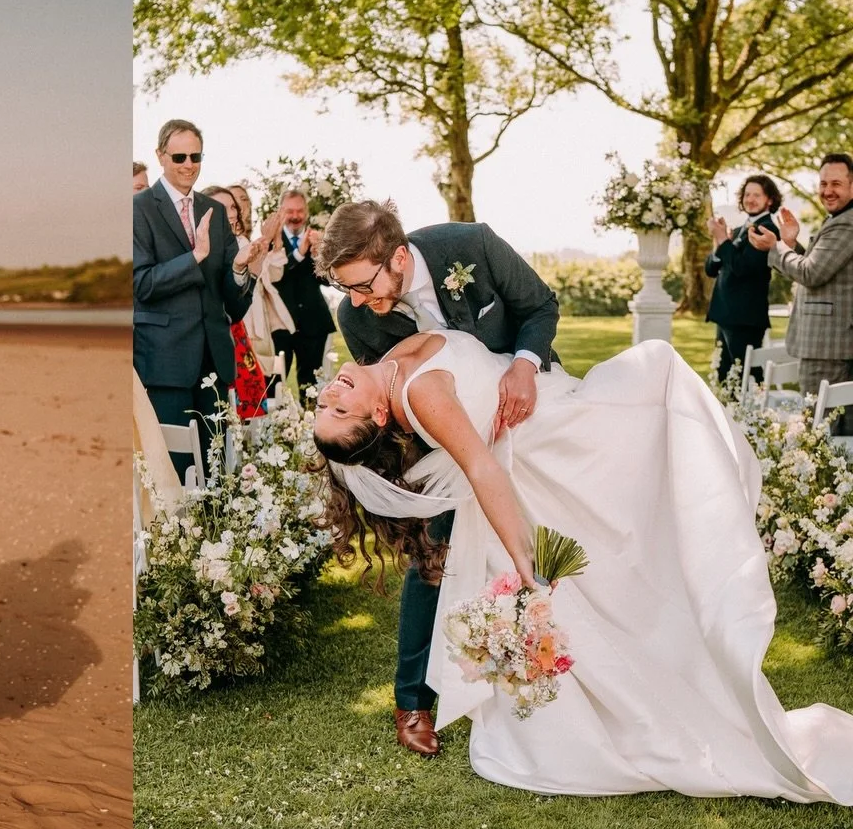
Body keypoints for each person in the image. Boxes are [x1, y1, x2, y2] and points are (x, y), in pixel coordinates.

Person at [311, 319, 853, 803]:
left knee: (628, 528)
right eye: (340, 409)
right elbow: (481, 468)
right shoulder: (420, 389)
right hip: (541, 448)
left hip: (553, 411)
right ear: (380, 413)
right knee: (643, 441)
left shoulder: (378, 337)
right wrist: (524, 563)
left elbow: (516, 317)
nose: (331, 394)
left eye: (325, 404)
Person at [320, 200, 560, 760]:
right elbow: (382, 405)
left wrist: (524, 365)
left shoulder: (469, 246)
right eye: (345, 289)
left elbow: (540, 305)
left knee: (554, 523)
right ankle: (412, 700)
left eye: (365, 286)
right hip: (448, 436)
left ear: (398, 257)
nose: (357, 303)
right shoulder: (357, 318)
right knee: (432, 553)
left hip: (528, 406)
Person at [133, 120, 253, 479]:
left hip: (214, 361)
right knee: (175, 471)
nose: (189, 164)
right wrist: (195, 257)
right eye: (180, 155)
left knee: (217, 469)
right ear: (161, 156)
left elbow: (232, 305)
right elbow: (141, 284)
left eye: (195, 156)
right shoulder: (138, 210)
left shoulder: (212, 212)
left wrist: (241, 271)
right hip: (165, 363)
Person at [751, 153, 853, 435]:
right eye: (823, 184)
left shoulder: (846, 223)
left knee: (821, 434)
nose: (827, 191)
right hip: (830, 345)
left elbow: (810, 274)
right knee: (830, 434)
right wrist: (791, 244)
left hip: (827, 347)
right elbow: (816, 269)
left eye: (836, 184)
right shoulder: (839, 219)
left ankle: (824, 481)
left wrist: (776, 247)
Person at [203, 185, 274, 417]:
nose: (232, 212)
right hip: (207, 341)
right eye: (223, 207)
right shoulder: (200, 251)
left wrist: (252, 273)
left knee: (248, 402)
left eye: (233, 206)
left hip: (235, 332)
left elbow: (236, 306)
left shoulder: (235, 244)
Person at [705, 174, 781, 386]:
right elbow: (711, 269)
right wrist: (720, 243)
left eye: (757, 195)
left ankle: (752, 418)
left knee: (745, 379)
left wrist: (723, 240)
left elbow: (742, 268)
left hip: (745, 318)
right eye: (747, 194)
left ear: (770, 200)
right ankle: (725, 419)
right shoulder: (739, 230)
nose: (750, 199)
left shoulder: (768, 230)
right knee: (724, 378)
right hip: (725, 315)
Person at [264, 189, 335, 402]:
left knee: (312, 386)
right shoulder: (269, 240)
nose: (295, 216)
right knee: (274, 383)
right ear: (281, 212)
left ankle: (312, 429)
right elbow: (274, 278)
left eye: (300, 211)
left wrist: (319, 257)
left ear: (306, 212)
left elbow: (327, 281)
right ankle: (276, 429)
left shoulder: (318, 239)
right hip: (280, 324)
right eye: (290, 211)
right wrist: (299, 253)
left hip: (313, 323)